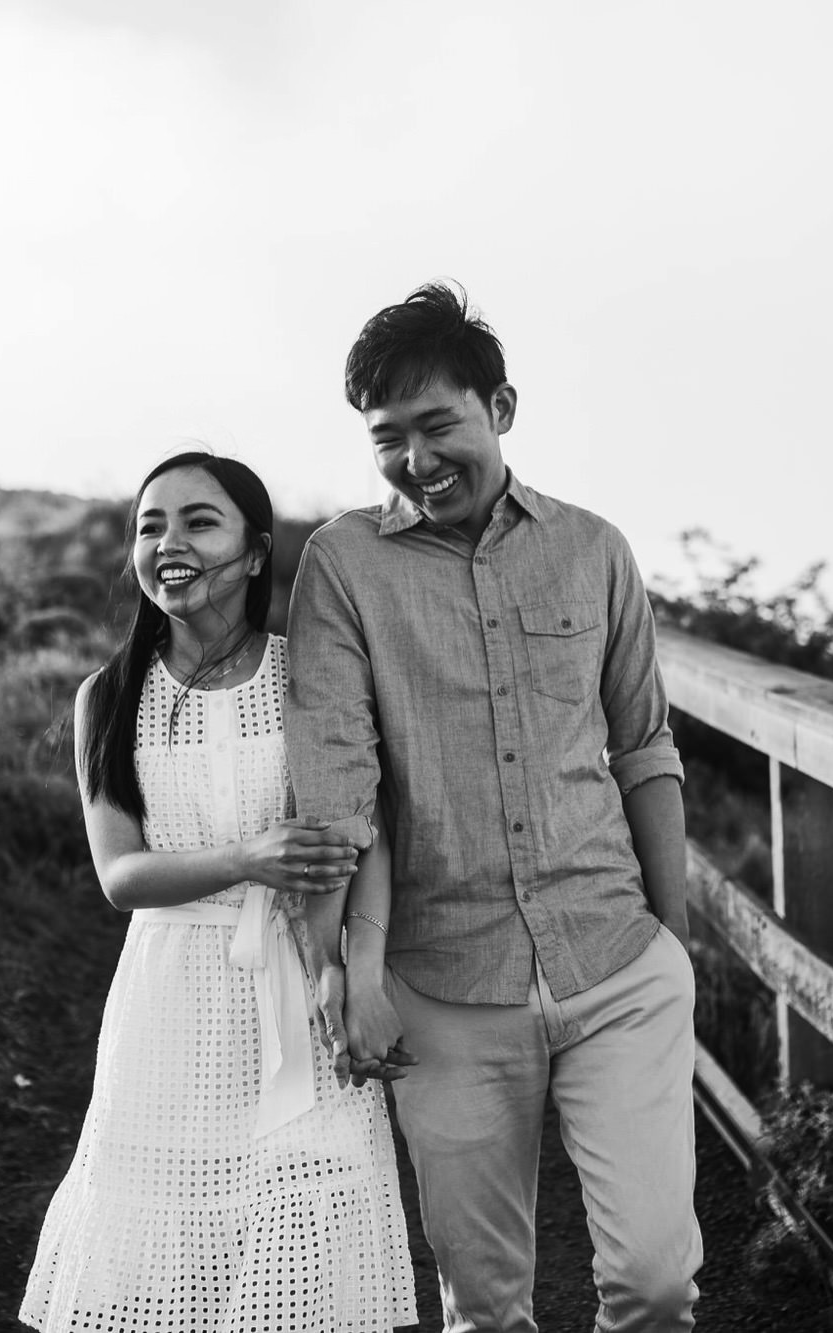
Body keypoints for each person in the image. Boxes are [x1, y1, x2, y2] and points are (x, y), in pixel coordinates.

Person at [287, 282, 703, 1332]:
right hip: (443, 990)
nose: (416, 460)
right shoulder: (342, 566)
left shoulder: (594, 548)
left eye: (438, 426)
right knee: (484, 1309)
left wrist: (675, 941)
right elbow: (335, 787)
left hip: (614, 961)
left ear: (500, 410)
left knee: (654, 1285)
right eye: (388, 438)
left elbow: (643, 745)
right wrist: (341, 972)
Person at [20, 451, 417, 1333]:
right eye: (150, 524)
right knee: (168, 1263)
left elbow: (366, 830)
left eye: (200, 521)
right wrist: (250, 857)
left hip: (301, 982)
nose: (169, 542)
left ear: (252, 552)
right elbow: (121, 876)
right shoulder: (109, 695)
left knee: (304, 1234)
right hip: (172, 1001)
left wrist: (361, 972)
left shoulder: (310, 674)